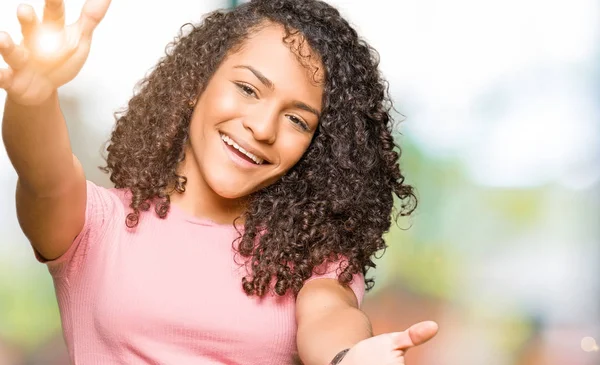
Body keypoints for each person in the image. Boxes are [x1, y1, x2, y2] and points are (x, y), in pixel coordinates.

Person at [0, 0, 439, 364]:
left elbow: (331, 318)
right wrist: (32, 98)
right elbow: (44, 174)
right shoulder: (96, 225)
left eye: (297, 120)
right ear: (196, 83)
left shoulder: (312, 261)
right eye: (248, 89)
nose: (263, 127)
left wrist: (349, 357)